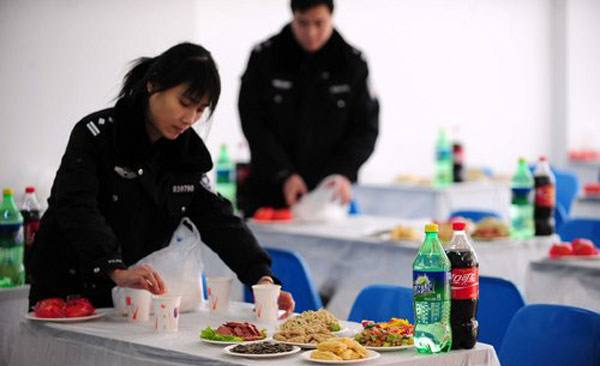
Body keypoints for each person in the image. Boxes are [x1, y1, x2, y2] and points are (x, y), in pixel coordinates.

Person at [28, 43, 294, 316]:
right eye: (185, 103)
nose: (190, 118)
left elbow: (219, 219)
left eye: (200, 110)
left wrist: (261, 277)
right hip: (66, 293)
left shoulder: (186, 154)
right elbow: (76, 207)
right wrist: (114, 268)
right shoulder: (96, 136)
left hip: (130, 298)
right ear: (152, 86)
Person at [238, 0, 379, 218]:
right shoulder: (265, 57)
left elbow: (365, 128)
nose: (311, 33)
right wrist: (284, 173)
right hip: (270, 190)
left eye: (319, 23)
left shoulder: (352, 63)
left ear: (331, 17)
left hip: (328, 195)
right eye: (302, 23)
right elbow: (253, 122)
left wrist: (342, 172)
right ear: (292, 17)